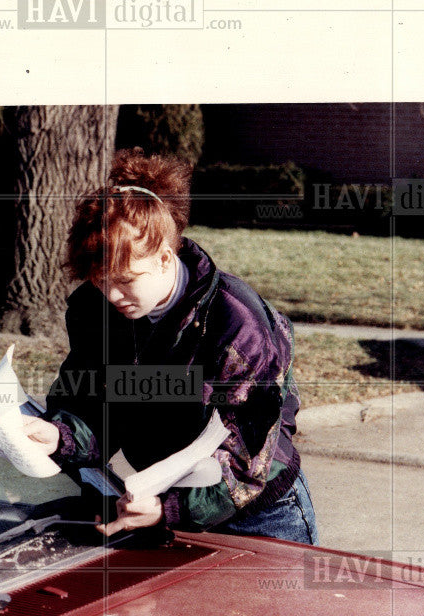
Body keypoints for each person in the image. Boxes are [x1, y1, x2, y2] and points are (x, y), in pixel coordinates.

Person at [22, 148, 317, 544]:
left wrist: (169, 509)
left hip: (259, 515)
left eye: (125, 280)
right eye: (99, 281)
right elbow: (93, 402)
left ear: (164, 258)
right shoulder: (95, 311)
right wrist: (60, 435)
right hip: (159, 503)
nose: (111, 296)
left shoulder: (237, 324)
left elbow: (248, 459)